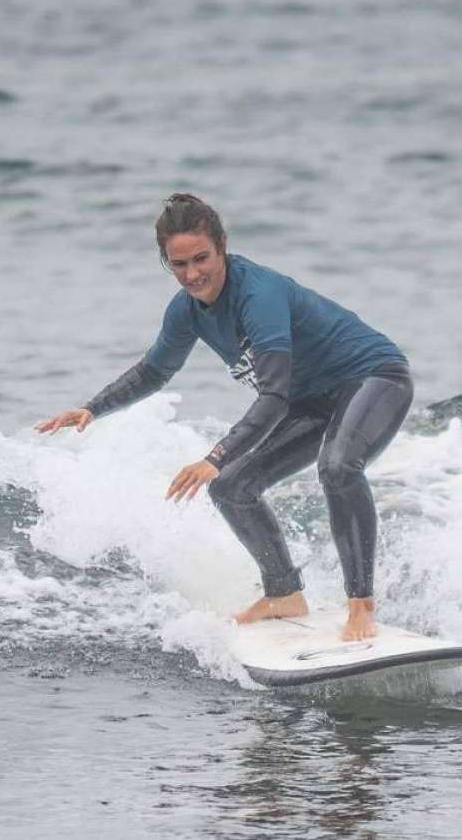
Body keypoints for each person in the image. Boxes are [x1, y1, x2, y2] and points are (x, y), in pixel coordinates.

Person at [35, 194, 413, 642]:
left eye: (202, 259)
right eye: (179, 264)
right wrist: (93, 408)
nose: (193, 274)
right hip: (310, 399)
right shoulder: (186, 311)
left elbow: (273, 395)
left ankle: (361, 607)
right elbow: (154, 371)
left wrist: (214, 455)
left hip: (372, 377)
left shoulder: (259, 295)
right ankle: (284, 594)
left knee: (337, 466)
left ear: (222, 247)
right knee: (232, 487)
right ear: (166, 263)